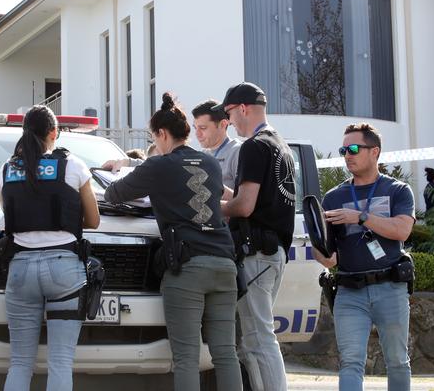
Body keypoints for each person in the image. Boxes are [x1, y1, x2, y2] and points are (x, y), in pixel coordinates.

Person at [104, 93, 242, 391]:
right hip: (224, 263)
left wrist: (119, 169)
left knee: (186, 357)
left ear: (162, 134)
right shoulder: (211, 164)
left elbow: (114, 195)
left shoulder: (158, 166)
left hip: (187, 268)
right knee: (226, 353)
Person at [0, 105, 100, 391]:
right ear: (53, 133)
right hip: (65, 269)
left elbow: (10, 217)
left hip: (20, 269)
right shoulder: (73, 166)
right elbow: (93, 220)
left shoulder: (7, 169)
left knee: (19, 362)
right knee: (61, 361)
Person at [313, 123, 415, 391]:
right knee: (350, 362)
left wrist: (361, 217)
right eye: (344, 149)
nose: (348, 154)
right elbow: (329, 256)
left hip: (390, 287)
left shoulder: (398, 190)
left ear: (375, 152)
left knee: (397, 361)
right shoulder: (334, 197)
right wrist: (318, 246)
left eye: (354, 148)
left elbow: (402, 229)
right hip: (349, 291)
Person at [217, 82, 296, 391]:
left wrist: (214, 208)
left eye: (229, 114)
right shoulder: (280, 144)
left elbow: (245, 205)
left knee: (258, 340)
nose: (229, 122)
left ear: (243, 109)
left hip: (256, 255)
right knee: (257, 338)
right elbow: (256, 198)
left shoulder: (252, 146)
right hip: (273, 253)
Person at [191, 99, 242, 190]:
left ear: (223, 124)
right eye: (195, 128)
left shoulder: (238, 152)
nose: (197, 134)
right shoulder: (202, 155)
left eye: (203, 128)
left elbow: (246, 200)